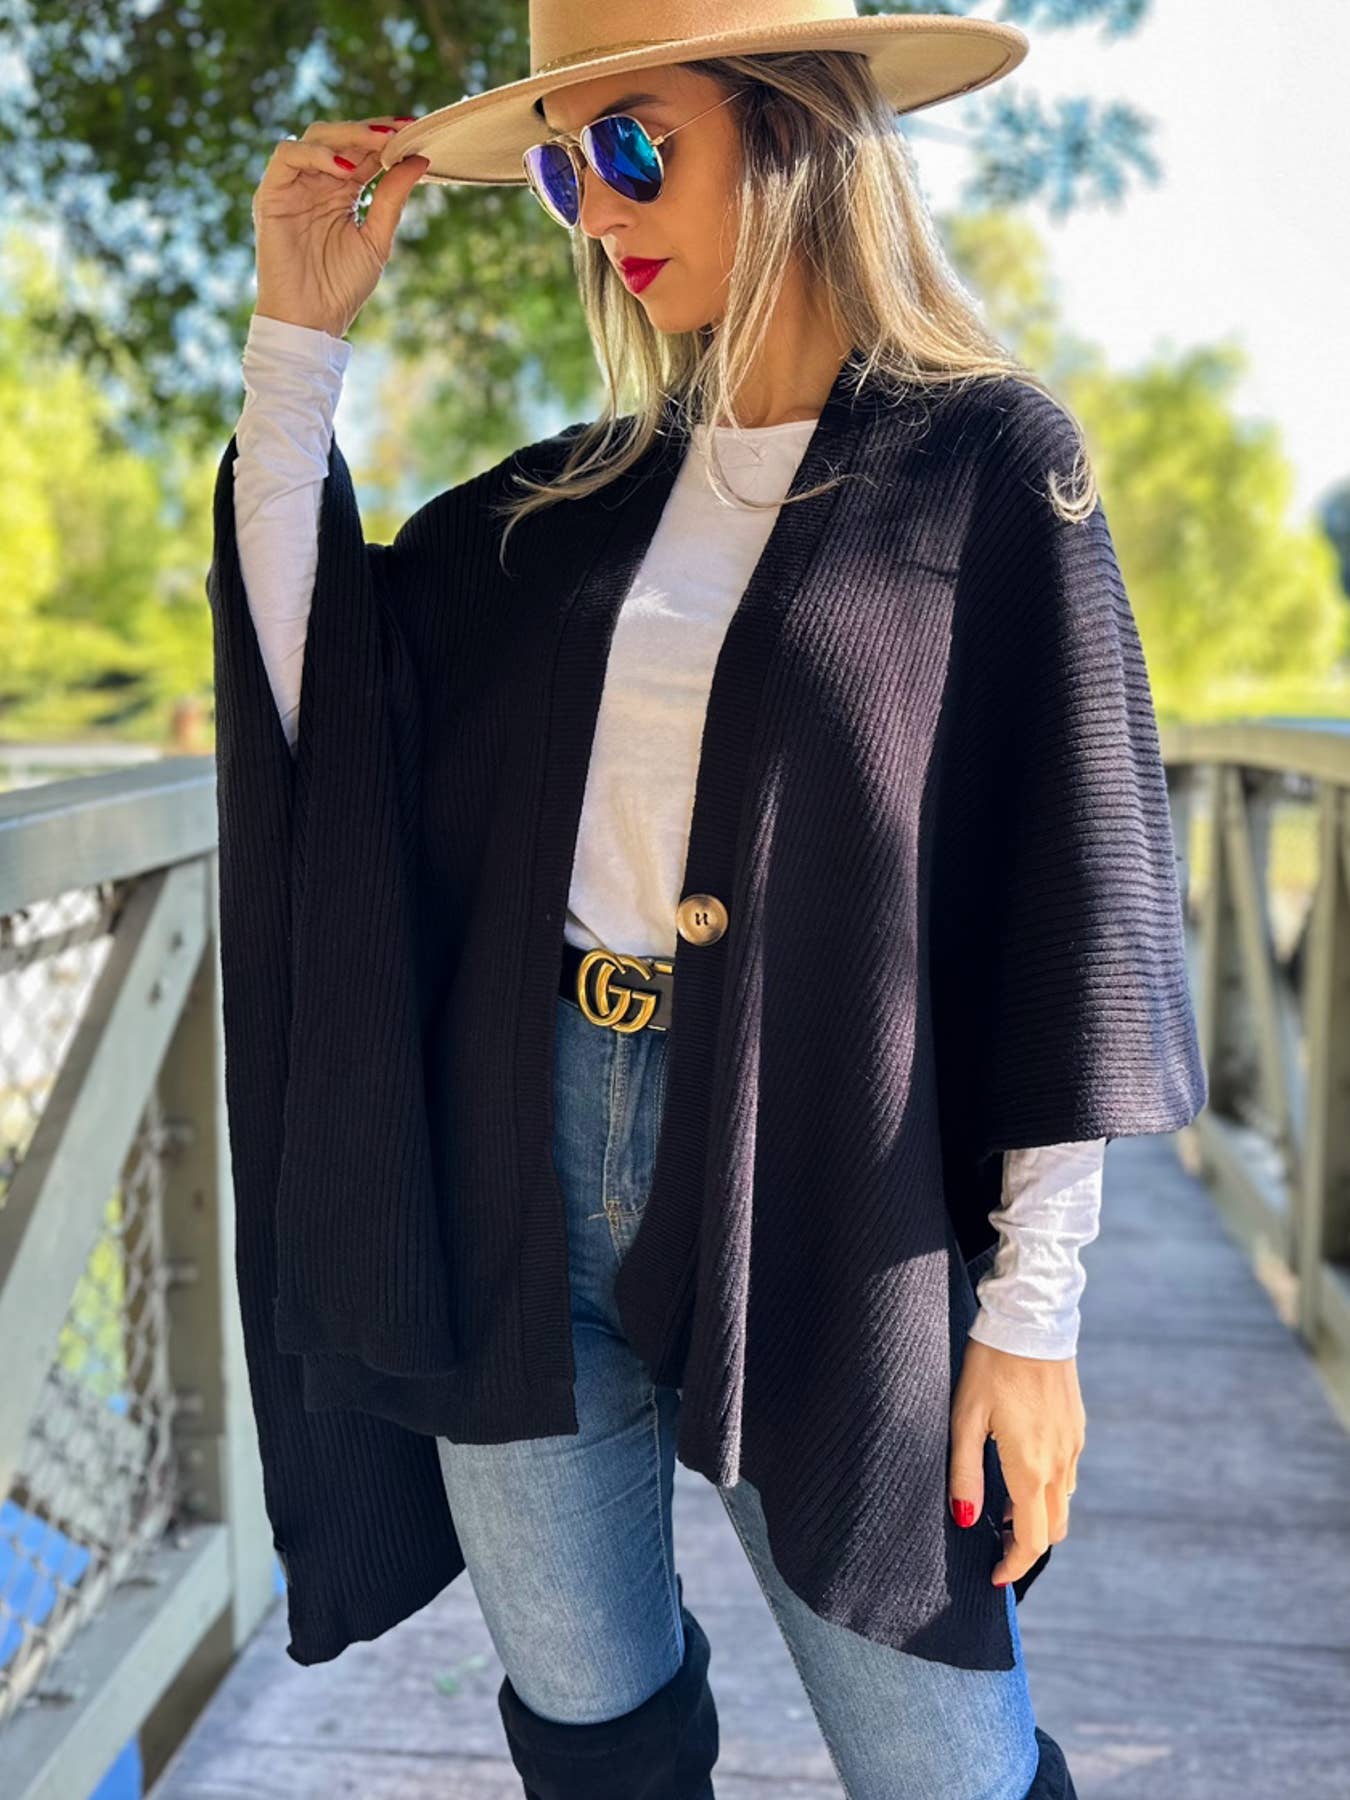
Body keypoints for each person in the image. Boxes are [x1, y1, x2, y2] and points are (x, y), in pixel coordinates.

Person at [210, 6, 1205, 1797]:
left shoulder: (988, 463)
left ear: (790, 126)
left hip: (831, 1183)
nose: (597, 209)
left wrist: (1031, 1317)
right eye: (559, 169)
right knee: (590, 1727)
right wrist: (299, 336)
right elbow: (315, 698)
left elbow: (1079, 894)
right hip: (518, 1169)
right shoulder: (567, 506)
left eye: (633, 144)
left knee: (944, 1764)